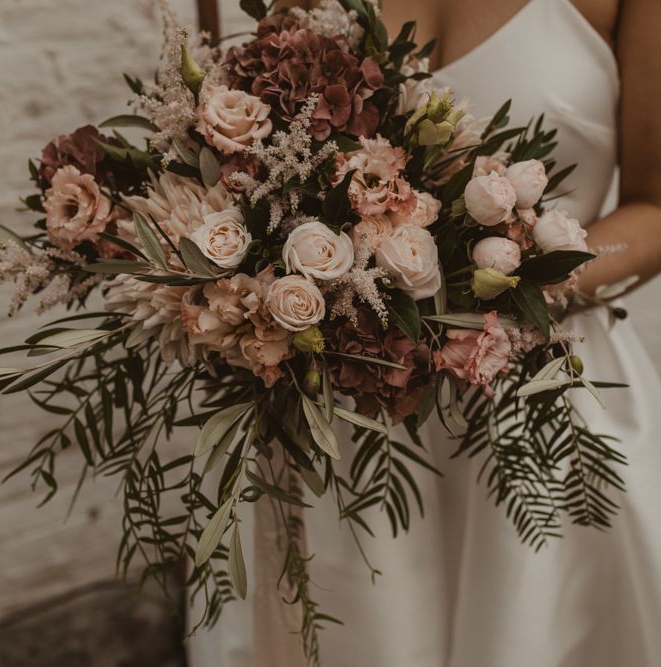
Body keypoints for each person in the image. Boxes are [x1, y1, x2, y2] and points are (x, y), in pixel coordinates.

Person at [188, 1, 661, 665]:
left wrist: (507, 288)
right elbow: (212, 179)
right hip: (335, 424)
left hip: (542, 413)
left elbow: (655, 205)